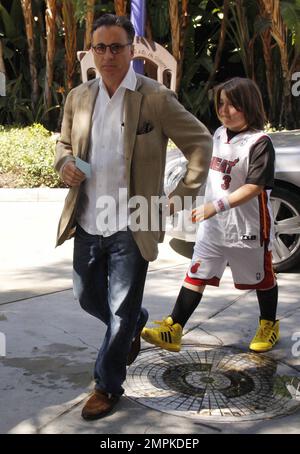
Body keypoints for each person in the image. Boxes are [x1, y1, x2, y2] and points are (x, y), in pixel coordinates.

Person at [54, 14, 212, 420]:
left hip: (134, 221)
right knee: (86, 296)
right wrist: (65, 163)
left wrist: (181, 196)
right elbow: (64, 144)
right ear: (92, 52)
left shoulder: (153, 97)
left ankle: (107, 385)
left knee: (120, 312)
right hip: (88, 218)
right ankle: (133, 324)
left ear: (131, 49)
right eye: (100, 48)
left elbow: (199, 142)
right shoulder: (78, 97)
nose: (108, 55)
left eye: (116, 47)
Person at [142, 77, 279, 355]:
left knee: (262, 277)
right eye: (221, 104)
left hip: (247, 227)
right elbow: (209, 175)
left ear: (249, 106)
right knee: (196, 273)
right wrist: (181, 200)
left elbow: (255, 187)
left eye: (232, 105)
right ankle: (174, 328)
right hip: (213, 226)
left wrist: (214, 206)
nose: (224, 110)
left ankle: (268, 325)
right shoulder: (218, 134)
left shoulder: (259, 143)